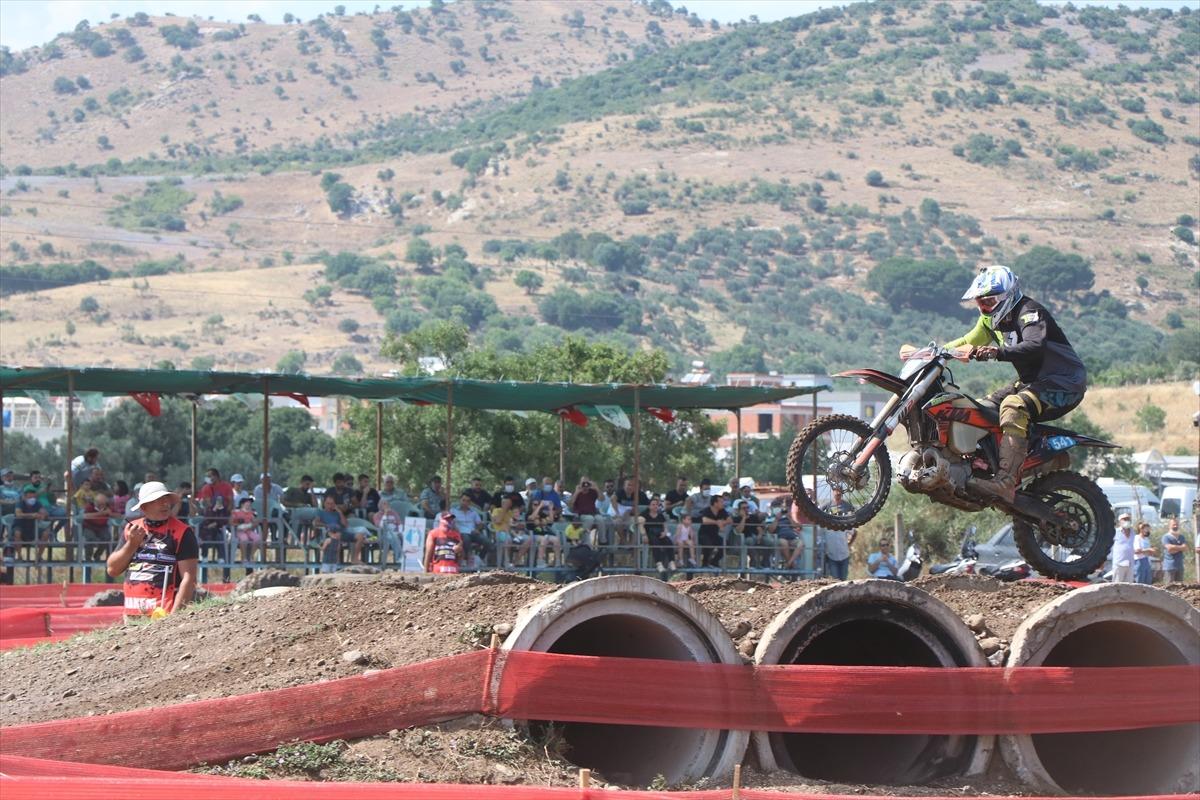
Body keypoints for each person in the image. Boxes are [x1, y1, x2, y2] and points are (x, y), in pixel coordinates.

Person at [950, 265, 1087, 503]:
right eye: (980, 303)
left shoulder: (1029, 311)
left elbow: (1035, 345)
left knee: (1013, 407)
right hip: (1031, 383)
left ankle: (1005, 481)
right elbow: (966, 341)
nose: (983, 308)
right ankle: (983, 465)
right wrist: (932, 352)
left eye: (989, 301)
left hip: (1063, 383)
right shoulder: (989, 321)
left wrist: (995, 353)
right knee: (976, 409)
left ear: (1006, 296)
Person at [106, 482, 199, 617]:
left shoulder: (183, 532)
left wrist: (174, 618)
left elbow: (189, 578)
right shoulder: (132, 529)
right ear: (144, 507)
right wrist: (132, 544)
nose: (165, 504)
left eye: (166, 499)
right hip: (132, 613)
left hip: (164, 613)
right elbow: (112, 570)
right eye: (158, 500)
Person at [820, 487, 857, 580]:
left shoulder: (846, 508)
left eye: (839, 492)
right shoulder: (826, 526)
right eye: (836, 491)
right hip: (832, 556)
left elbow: (854, 531)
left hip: (844, 555)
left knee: (843, 579)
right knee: (835, 579)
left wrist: (849, 544)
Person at [314, 494, 351, 573]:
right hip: (327, 534)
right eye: (328, 503)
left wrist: (339, 511)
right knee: (331, 542)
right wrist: (326, 525)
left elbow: (346, 525)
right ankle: (326, 567)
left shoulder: (337, 514)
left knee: (339, 540)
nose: (330, 505)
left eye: (332, 504)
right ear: (324, 504)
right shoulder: (321, 512)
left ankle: (336, 566)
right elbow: (315, 523)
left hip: (339, 535)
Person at [199, 494, 231, 582]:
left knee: (220, 538)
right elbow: (206, 520)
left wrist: (216, 523)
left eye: (220, 501)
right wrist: (214, 510)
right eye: (217, 501)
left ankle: (221, 557)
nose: (219, 502)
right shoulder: (209, 509)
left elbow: (224, 521)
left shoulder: (224, 510)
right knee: (205, 538)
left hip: (218, 530)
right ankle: (204, 556)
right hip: (207, 531)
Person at [640, 497, 675, 577]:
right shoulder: (644, 514)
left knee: (668, 541)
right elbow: (641, 525)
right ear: (649, 506)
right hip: (650, 534)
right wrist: (644, 535)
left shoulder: (660, 515)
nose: (655, 506)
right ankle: (659, 564)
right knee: (655, 543)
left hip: (660, 533)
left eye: (657, 505)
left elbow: (665, 526)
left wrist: (665, 532)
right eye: (653, 504)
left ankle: (671, 562)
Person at [13, 484, 49, 560]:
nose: (32, 498)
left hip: (33, 529)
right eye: (30, 496)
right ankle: (19, 556)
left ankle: (39, 556)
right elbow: (18, 514)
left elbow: (44, 512)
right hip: (20, 527)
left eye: (33, 496)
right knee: (17, 533)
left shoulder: (37, 503)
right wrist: (32, 515)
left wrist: (42, 515)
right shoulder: (20, 503)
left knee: (46, 533)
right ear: (25, 496)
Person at [768, 499, 804, 572]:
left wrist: (790, 518)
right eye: (776, 507)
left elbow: (796, 526)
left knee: (801, 543)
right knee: (784, 542)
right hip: (780, 537)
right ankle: (791, 564)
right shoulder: (770, 518)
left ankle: (789, 563)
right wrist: (776, 519)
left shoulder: (787, 517)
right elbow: (771, 530)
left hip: (792, 537)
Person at [698, 494, 731, 570]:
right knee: (708, 545)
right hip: (704, 534)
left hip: (714, 534)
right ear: (715, 503)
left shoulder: (722, 511)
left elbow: (730, 520)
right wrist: (717, 522)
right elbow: (705, 520)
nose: (723, 503)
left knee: (725, 544)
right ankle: (705, 563)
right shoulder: (707, 510)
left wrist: (723, 522)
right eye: (721, 502)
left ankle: (714, 561)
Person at [230, 497, 260, 573]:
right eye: (247, 503)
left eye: (249, 504)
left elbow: (255, 523)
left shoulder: (251, 513)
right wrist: (239, 524)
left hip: (249, 530)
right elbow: (231, 522)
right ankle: (244, 558)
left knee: (257, 538)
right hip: (240, 531)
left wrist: (251, 524)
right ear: (242, 504)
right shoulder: (236, 512)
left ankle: (251, 556)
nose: (249, 505)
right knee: (244, 539)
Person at [373, 498, 403, 568]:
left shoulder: (394, 513)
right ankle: (399, 558)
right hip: (384, 535)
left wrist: (401, 532)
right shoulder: (377, 515)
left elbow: (400, 524)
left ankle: (411, 559)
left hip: (396, 533)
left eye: (387, 504)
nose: (386, 505)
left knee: (403, 536)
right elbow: (381, 526)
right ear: (379, 506)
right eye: (384, 504)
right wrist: (385, 514)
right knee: (392, 535)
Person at [1110, 512, 1135, 583]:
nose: (1127, 520)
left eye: (1128, 519)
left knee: (1129, 586)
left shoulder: (1133, 532)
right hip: (1119, 563)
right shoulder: (1115, 532)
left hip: (1130, 563)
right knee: (1117, 585)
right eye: (1124, 519)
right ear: (1120, 521)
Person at [1161, 517, 1187, 584]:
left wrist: (1174, 548)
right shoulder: (1166, 537)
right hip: (1169, 567)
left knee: (1180, 588)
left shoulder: (1182, 537)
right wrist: (1180, 548)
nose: (1175, 526)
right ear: (1169, 526)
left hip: (1180, 566)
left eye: (1177, 524)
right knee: (1169, 588)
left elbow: (1185, 548)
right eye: (1173, 524)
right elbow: (1169, 549)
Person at [1133, 521, 1155, 585]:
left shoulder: (1147, 539)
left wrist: (1152, 551)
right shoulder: (1137, 538)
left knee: (1148, 582)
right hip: (1139, 561)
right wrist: (1149, 549)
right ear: (1141, 529)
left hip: (1147, 561)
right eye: (1146, 528)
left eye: (1148, 528)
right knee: (1140, 582)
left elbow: (1148, 551)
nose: (1147, 530)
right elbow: (1137, 551)